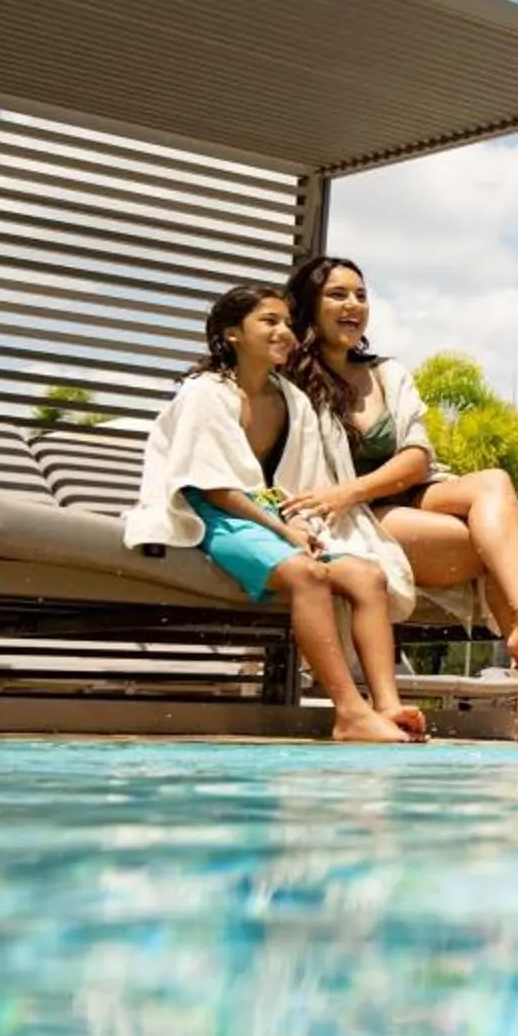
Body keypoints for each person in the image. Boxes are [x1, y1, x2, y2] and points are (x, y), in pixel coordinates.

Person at [283, 257, 518, 744]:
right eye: (337, 295)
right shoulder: (288, 381)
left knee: (494, 480)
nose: (353, 305)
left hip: (403, 492)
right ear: (308, 305)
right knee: (491, 547)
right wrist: (344, 497)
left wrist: (351, 487)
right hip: (358, 518)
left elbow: (416, 457)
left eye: (361, 295)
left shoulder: (387, 374)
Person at [123, 284, 424, 744]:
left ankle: (387, 706)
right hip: (212, 514)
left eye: (287, 322)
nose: (285, 331)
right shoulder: (205, 393)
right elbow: (214, 487)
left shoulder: (291, 399)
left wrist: (299, 521)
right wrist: (282, 529)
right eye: (269, 321)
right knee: (309, 575)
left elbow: (295, 482)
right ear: (232, 335)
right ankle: (349, 712)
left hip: (268, 514)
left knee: (367, 576)